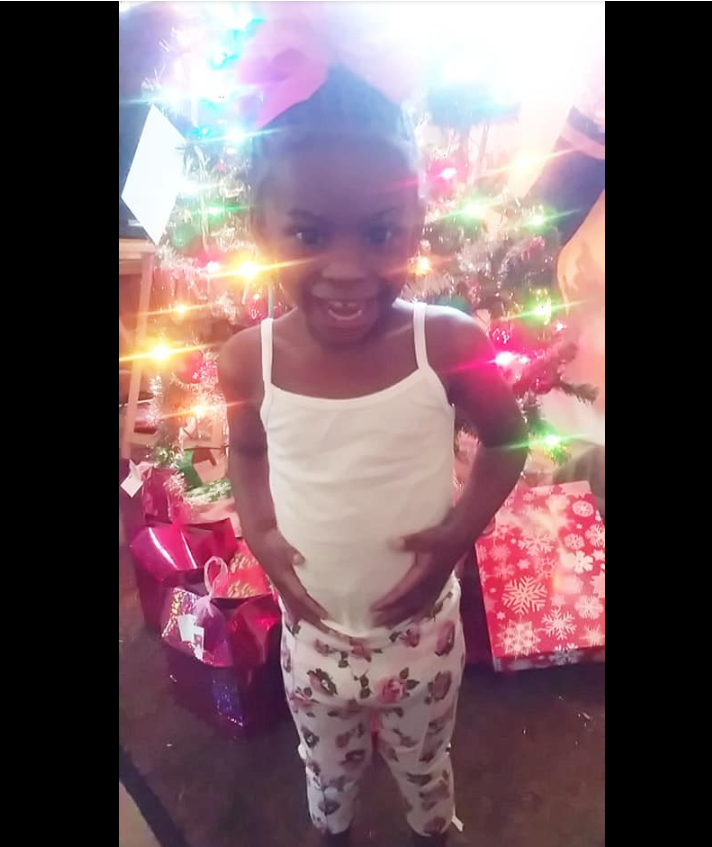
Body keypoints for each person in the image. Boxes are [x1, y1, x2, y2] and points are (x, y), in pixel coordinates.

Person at [218, 45, 527, 847]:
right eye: (309, 233)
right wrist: (258, 531)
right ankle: (333, 827)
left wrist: (461, 530)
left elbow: (507, 438)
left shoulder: (448, 342)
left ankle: (433, 826)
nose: (347, 269)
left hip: (421, 636)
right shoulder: (247, 358)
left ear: (417, 224)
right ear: (261, 229)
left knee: (424, 762)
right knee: (326, 767)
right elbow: (247, 453)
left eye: (382, 231)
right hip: (311, 632)